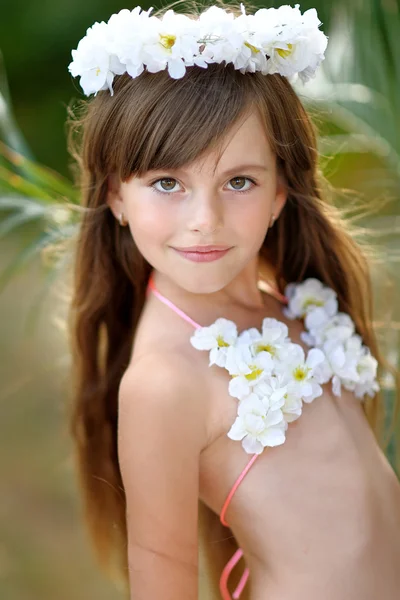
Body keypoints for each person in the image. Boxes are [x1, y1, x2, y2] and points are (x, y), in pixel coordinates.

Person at [66, 2, 400, 599]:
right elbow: (161, 572)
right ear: (116, 194)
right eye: (168, 183)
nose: (205, 221)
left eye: (239, 181)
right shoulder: (164, 380)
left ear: (279, 192)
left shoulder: (293, 299)